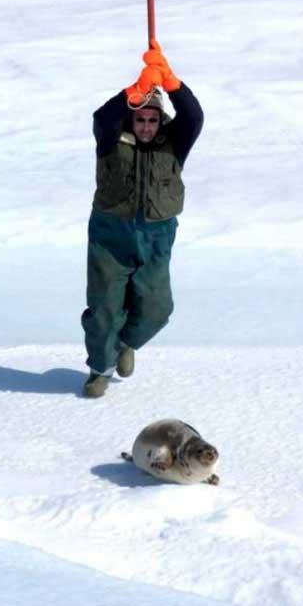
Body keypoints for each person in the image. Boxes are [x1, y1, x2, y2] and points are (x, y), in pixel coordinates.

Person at [81, 39, 204, 398]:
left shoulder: (175, 142)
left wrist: (172, 84)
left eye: (152, 120)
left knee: (157, 309)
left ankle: (127, 342)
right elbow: (103, 117)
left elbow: (194, 116)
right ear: (131, 117)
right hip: (110, 234)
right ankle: (99, 370)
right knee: (105, 308)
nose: (146, 126)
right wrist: (134, 89)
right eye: (140, 119)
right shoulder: (110, 139)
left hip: (157, 234)